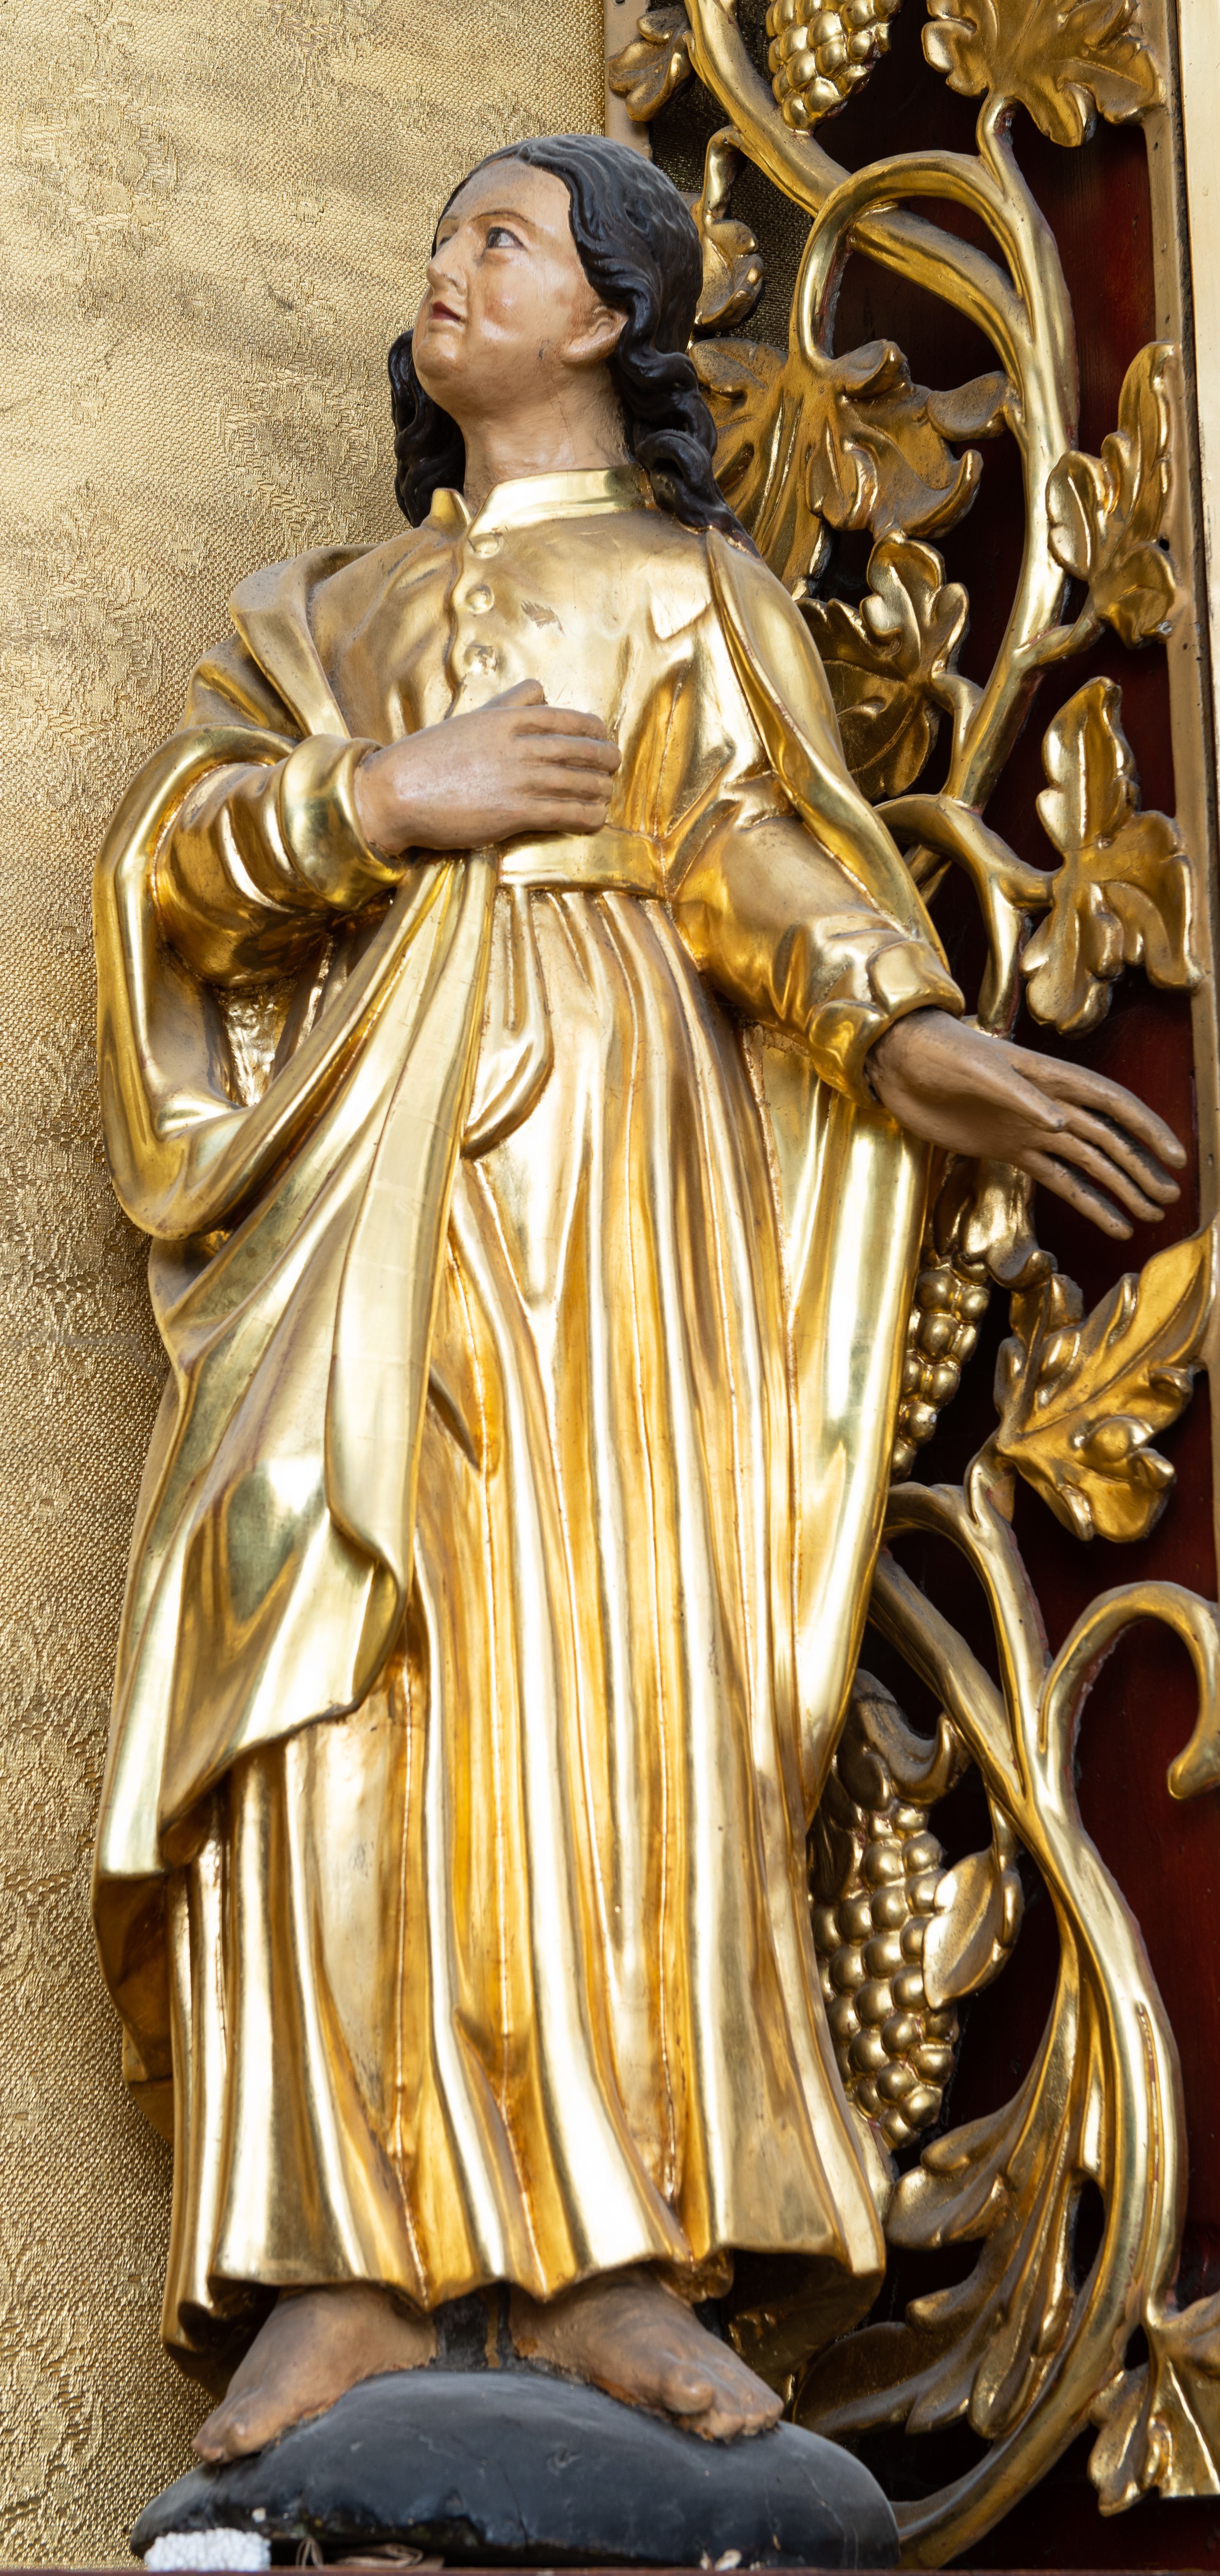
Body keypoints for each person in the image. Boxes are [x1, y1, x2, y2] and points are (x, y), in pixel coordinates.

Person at [91, 134, 1183, 2466]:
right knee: (343, 1668)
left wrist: (902, 1027)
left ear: (608, 313)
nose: (446, 270)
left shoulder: (690, 590)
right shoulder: (328, 614)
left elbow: (751, 843)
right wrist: (377, 800)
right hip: (355, 1194)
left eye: (499, 239)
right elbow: (174, 863)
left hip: (611, 1191)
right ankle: (335, 2257)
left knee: (596, 1676)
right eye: (442, 242)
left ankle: (612, 2248)